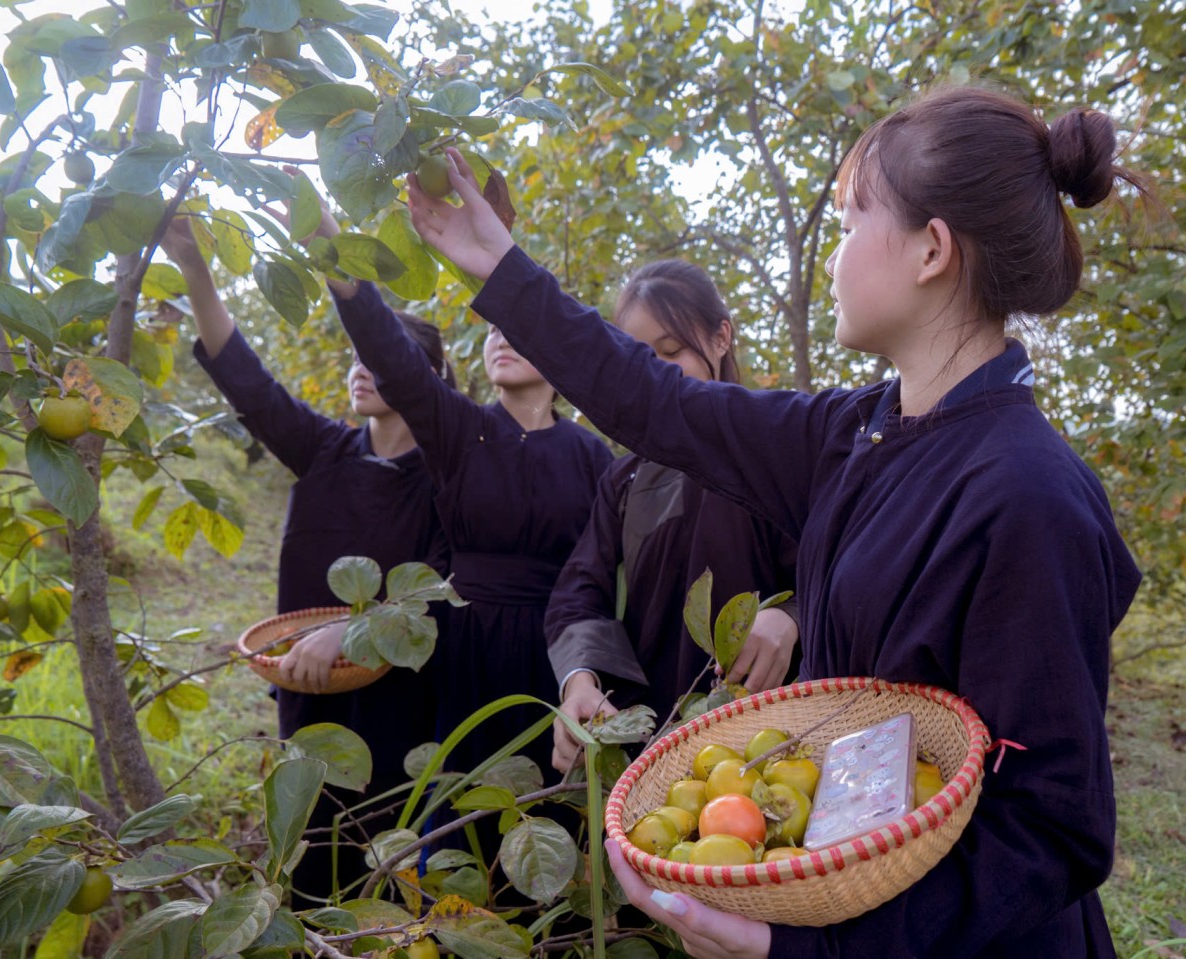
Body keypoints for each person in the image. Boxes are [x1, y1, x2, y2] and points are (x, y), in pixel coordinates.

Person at [407, 85, 1147, 958]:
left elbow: (1049, 832)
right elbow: (656, 404)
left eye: (848, 223)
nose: (833, 258)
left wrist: (801, 952)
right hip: (849, 883)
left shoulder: (1027, 497)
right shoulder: (857, 433)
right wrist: (501, 268)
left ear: (930, 250)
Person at [162, 220, 450, 906]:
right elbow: (246, 379)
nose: (362, 365)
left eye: (386, 353)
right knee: (315, 852)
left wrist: (351, 631)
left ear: (424, 375)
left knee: (388, 854)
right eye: (358, 353)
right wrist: (197, 269)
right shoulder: (323, 449)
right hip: (307, 686)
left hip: (402, 702)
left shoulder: (448, 480)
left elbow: (441, 587)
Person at [302, 212, 615, 804]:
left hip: (556, 654)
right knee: (458, 807)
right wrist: (332, 248)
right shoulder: (458, 431)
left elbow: (607, 568)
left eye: (518, 329)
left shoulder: (593, 456)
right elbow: (389, 353)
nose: (500, 336)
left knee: (551, 808)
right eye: (493, 330)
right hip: (462, 647)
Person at [545, 259, 799, 774]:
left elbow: (849, 564)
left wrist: (794, 618)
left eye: (670, 351)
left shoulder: (784, 441)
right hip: (655, 742)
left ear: (721, 337)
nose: (654, 373)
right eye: (638, 359)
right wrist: (580, 680)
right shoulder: (625, 480)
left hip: (777, 736)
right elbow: (578, 594)